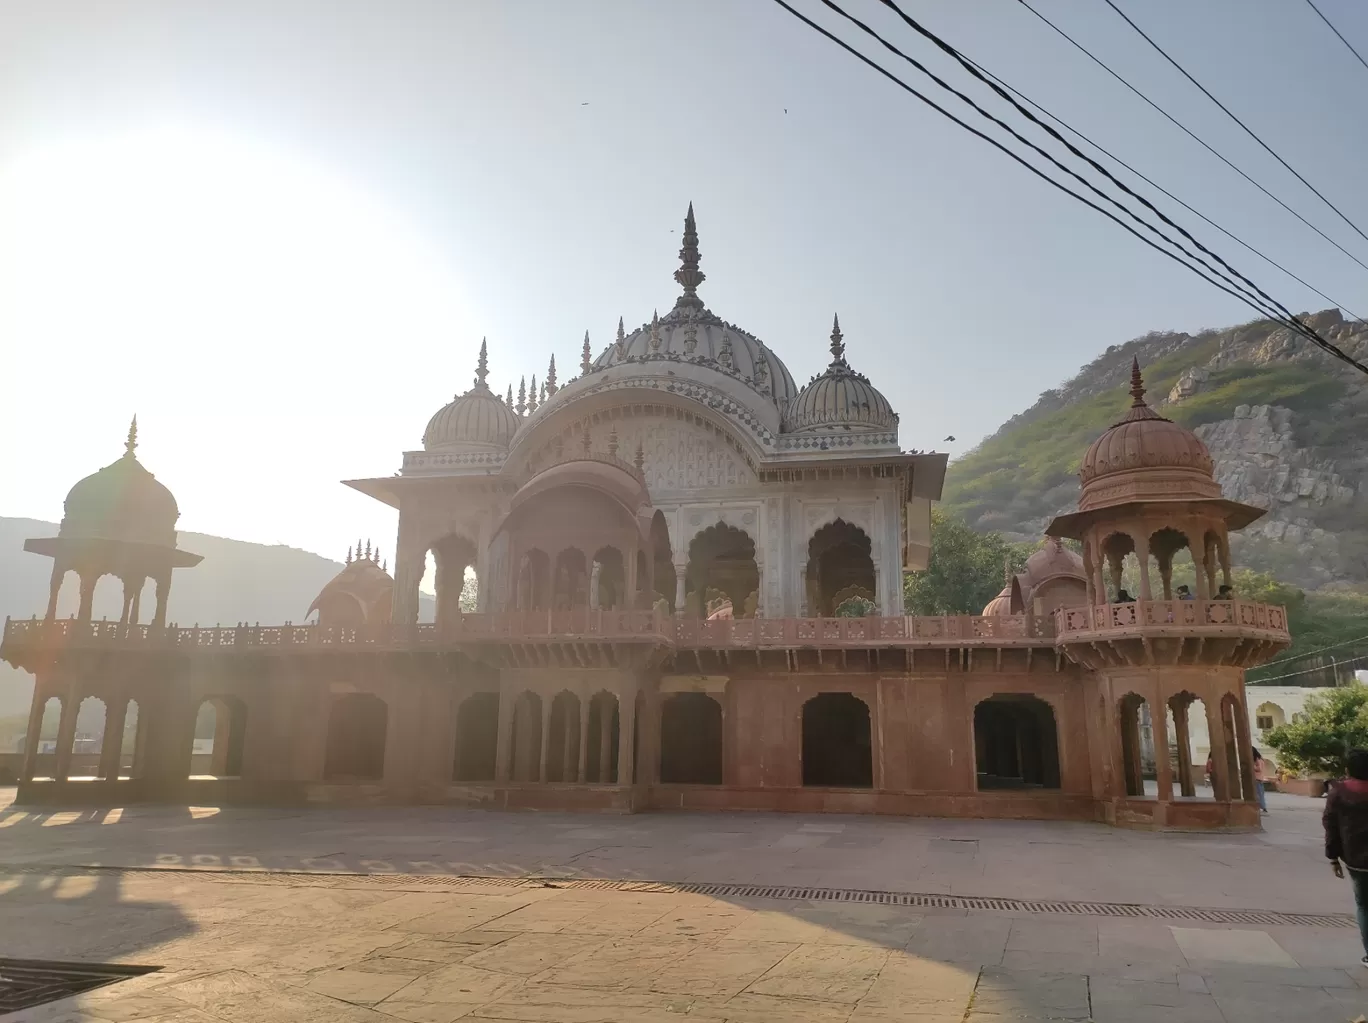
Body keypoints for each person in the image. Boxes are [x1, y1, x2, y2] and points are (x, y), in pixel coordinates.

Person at [1324, 748, 1368, 966]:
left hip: (1356, 859)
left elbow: (1331, 825)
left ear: (1349, 769)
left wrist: (1333, 857)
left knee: (1364, 905)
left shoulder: (1339, 793)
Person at [1252, 747, 1268, 814]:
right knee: (1259, 794)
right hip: (1258, 778)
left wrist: (1252, 766)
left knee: (1259, 794)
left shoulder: (1258, 760)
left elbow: (1259, 769)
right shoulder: (1259, 759)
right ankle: (1262, 807)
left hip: (1257, 778)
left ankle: (1263, 808)